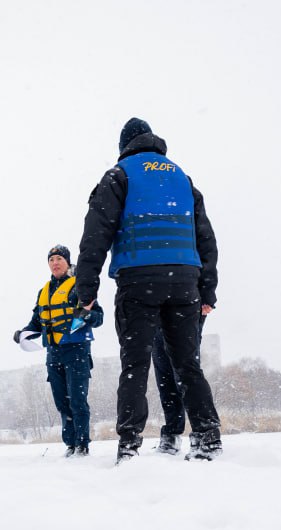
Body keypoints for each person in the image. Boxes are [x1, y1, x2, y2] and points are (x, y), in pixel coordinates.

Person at [73, 117, 222, 463]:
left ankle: (130, 446)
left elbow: (95, 235)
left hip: (138, 280)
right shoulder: (182, 179)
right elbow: (206, 239)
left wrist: (86, 289)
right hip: (185, 282)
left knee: (135, 366)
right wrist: (208, 290)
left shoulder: (119, 175)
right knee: (188, 364)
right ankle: (208, 435)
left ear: (124, 145)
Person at [14, 245, 104, 457]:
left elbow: (98, 318)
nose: (55, 263)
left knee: (77, 400)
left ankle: (82, 445)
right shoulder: (44, 291)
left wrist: (84, 314)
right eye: (51, 259)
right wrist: (22, 333)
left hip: (76, 351)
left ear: (67, 262)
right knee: (62, 402)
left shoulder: (79, 286)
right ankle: (70, 444)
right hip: (53, 354)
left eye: (59, 259)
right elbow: (37, 323)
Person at [150, 310, 208, 455]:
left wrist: (208, 297)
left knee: (187, 373)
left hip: (187, 307)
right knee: (165, 376)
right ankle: (172, 434)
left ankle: (203, 434)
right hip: (158, 312)